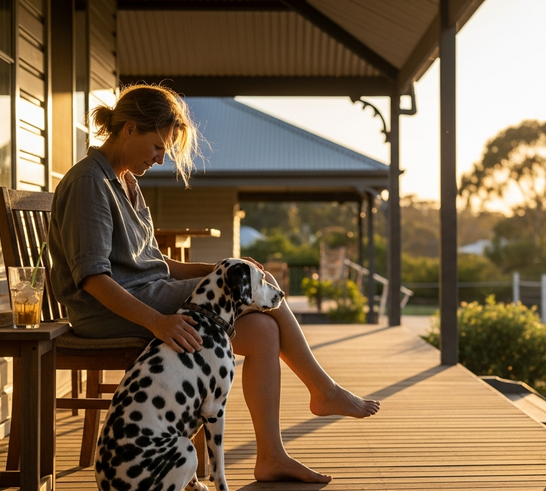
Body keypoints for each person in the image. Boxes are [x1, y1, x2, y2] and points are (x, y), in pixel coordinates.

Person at [48, 83, 379, 483]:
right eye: (157, 145)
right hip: (110, 310)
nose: (161, 157)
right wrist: (158, 322)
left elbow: (157, 263)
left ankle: (272, 455)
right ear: (129, 129)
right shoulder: (90, 183)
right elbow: (93, 278)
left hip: (149, 293)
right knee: (261, 283)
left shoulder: (127, 183)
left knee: (261, 329)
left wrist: (217, 268)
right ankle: (323, 390)